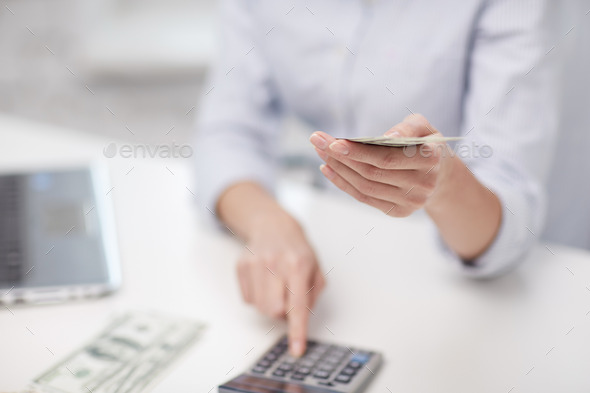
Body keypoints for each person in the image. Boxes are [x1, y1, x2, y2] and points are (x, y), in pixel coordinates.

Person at [195, 0, 560, 357]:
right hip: (336, 261)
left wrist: (445, 185)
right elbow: (228, 131)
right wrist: (266, 222)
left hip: (472, 295)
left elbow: (511, 210)